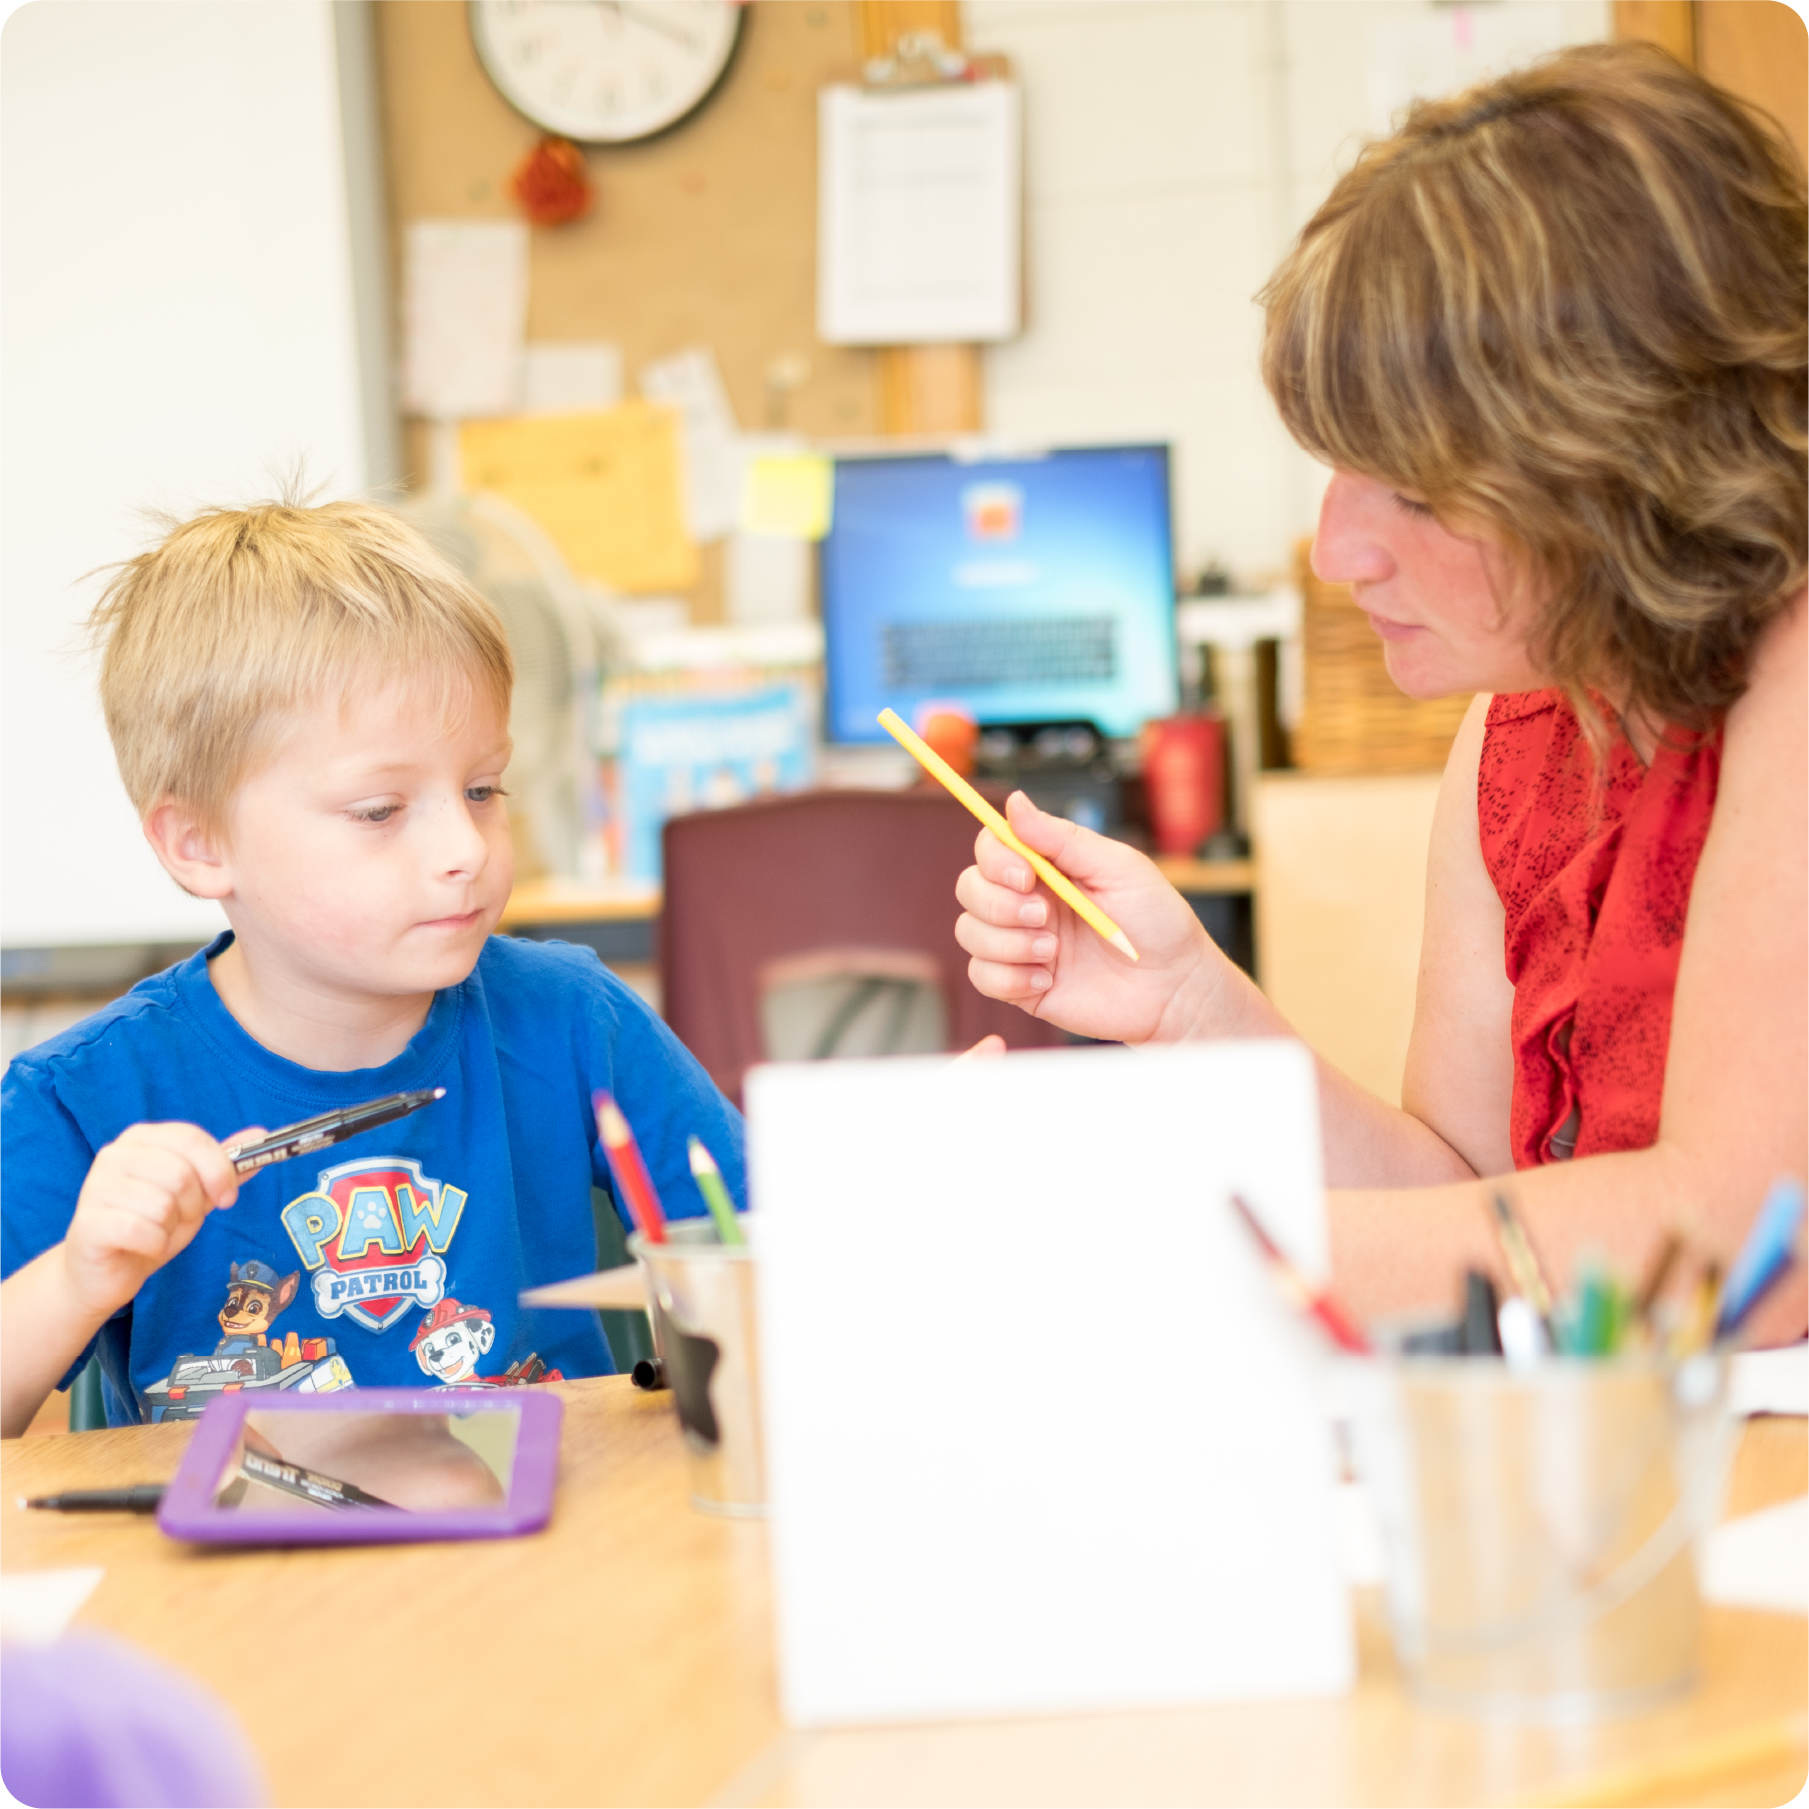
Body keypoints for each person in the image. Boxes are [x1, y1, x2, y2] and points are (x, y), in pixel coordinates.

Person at [955, 42, 1809, 1343]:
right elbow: (1468, 1204)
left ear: (1620, 461)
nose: (1337, 547)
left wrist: (1133, 1211)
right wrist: (1194, 1008)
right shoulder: (1520, 725)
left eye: (1408, 485)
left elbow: (1738, 1250)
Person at [0, 499, 743, 1436]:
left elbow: (765, 1250)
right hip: (236, 1574)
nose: (464, 847)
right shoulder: (81, 1093)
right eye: (380, 809)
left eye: (482, 789)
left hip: (550, 1554)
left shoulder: (573, 1018)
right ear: (197, 842)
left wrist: (891, 1170)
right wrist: (77, 1277)